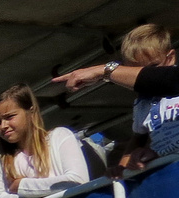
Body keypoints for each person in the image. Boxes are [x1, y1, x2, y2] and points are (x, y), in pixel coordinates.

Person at [53, 25, 179, 173]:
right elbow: (138, 138)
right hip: (168, 171)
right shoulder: (142, 103)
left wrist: (104, 71)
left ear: (170, 58)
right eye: (134, 71)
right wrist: (122, 169)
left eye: (153, 67)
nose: (143, 76)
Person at [0, 84, 89, 198]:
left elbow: (77, 181)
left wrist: (21, 186)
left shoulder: (59, 136)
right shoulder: (4, 157)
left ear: (31, 112)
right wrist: (41, 192)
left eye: (10, 117)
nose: (3, 125)